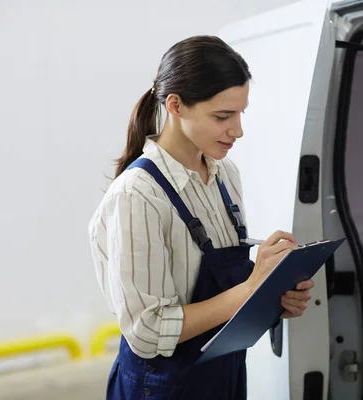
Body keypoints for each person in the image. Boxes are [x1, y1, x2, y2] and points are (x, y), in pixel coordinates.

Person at [88, 35, 315, 400]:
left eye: (240, 113)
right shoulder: (138, 195)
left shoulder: (225, 175)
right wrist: (250, 288)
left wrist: (273, 298)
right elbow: (147, 330)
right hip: (162, 388)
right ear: (176, 106)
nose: (237, 130)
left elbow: (227, 298)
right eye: (222, 116)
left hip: (223, 376)